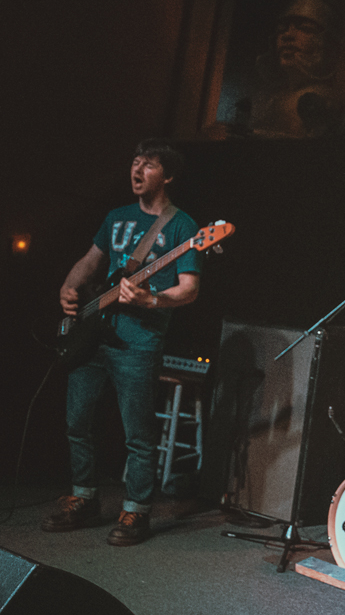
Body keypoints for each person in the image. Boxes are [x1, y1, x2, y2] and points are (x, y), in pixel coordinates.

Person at [42, 139, 202, 546]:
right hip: (94, 334)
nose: (137, 169)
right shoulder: (116, 217)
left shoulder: (182, 225)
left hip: (139, 342)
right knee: (77, 421)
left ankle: (137, 510)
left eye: (148, 164)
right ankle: (84, 497)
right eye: (135, 162)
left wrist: (153, 299)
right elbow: (91, 260)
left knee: (138, 433)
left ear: (167, 175)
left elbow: (189, 288)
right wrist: (68, 287)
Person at [248, 0, 341, 138]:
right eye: (281, 29)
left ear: (328, 43)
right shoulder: (267, 97)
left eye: (305, 28)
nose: (287, 35)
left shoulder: (319, 101)